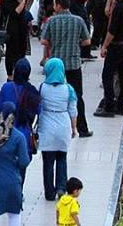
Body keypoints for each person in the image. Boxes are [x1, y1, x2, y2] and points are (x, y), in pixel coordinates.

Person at [41, 0, 92, 137]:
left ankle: (52, 126)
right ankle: (82, 128)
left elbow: (43, 40)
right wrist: (76, 44)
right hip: (74, 63)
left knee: (52, 94)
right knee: (77, 95)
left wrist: (53, 43)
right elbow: (87, 41)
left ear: (58, 5)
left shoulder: (51, 21)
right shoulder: (78, 20)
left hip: (56, 65)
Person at [39, 58, 79, 201]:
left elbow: (39, 107)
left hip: (47, 126)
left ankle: (49, 192)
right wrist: (74, 129)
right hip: (63, 125)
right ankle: (61, 187)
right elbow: (73, 111)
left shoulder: (42, 87)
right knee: (62, 158)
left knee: (48, 162)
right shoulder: (69, 89)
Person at [0, 58, 40, 176]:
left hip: (6, 132)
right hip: (25, 132)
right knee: (22, 167)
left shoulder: (7, 87)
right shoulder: (33, 92)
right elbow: (38, 112)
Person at [0, 0, 34, 78]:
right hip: (11, 29)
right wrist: (23, 1)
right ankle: (10, 74)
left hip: (22, 28)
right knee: (11, 52)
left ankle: (21, 72)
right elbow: (15, 13)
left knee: (22, 51)